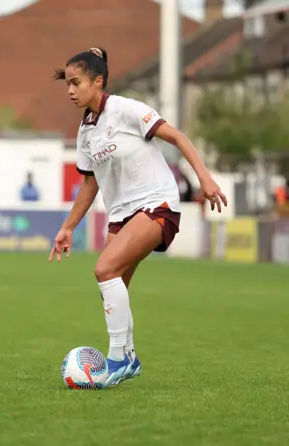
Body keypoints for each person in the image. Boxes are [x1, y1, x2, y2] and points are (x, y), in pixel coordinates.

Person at [48, 48, 227, 388]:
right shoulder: (86, 131)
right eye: (67, 84)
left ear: (97, 82)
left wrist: (205, 179)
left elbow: (176, 137)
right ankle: (128, 356)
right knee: (114, 288)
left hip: (156, 203)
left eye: (76, 83)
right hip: (121, 215)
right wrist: (67, 227)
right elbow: (90, 183)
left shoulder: (126, 110)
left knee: (104, 269)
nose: (70, 90)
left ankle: (118, 360)